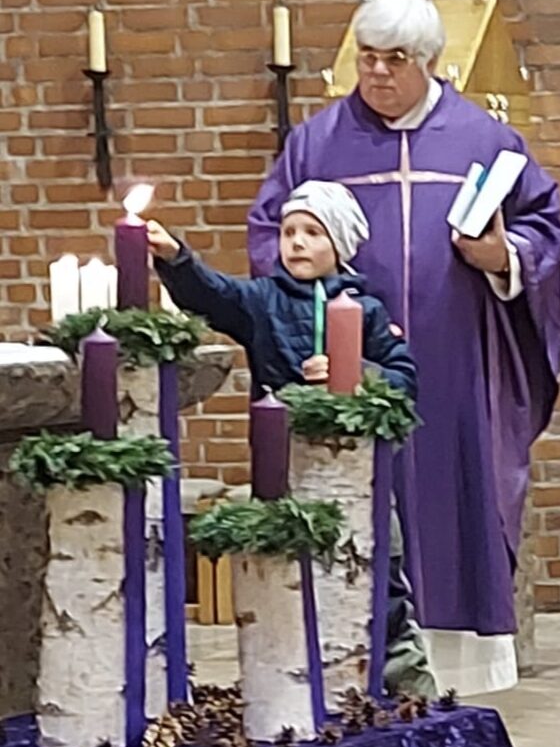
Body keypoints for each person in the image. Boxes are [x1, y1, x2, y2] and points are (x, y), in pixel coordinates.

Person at [248, 0, 560, 695]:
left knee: (452, 501)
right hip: (348, 372)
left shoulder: (485, 141)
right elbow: (270, 234)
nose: (377, 72)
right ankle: (349, 660)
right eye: (367, 57)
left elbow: (543, 228)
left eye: (394, 59)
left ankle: (452, 668)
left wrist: (500, 255)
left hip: (457, 367)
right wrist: (302, 305)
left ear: (429, 62)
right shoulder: (316, 144)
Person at [147, 179, 436, 697]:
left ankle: (407, 683)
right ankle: (296, 685)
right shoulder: (263, 302)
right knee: (292, 576)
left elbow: (404, 378)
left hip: (359, 477)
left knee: (379, 573)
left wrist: (355, 371)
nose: (297, 242)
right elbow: (213, 293)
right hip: (288, 469)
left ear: (340, 245)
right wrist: (176, 259)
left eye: (313, 233)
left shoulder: (368, 310)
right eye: (289, 231)